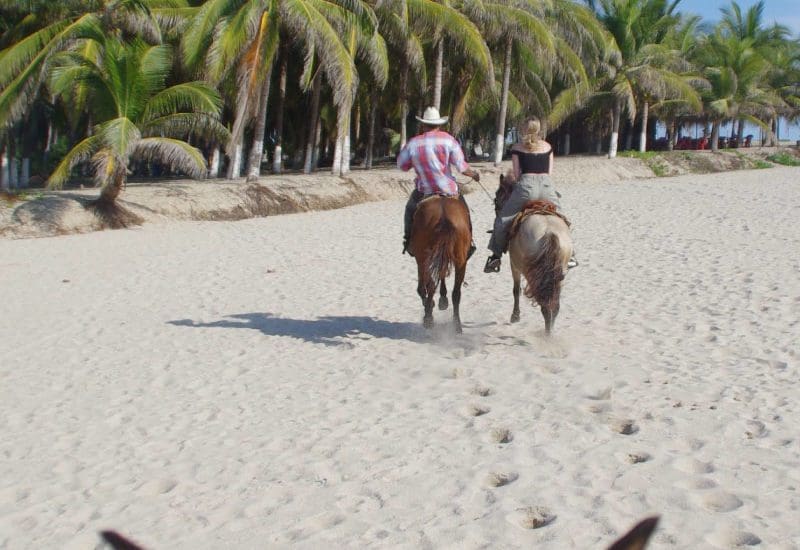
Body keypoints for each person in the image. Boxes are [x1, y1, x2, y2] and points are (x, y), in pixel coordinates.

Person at [484, 117, 578, 273]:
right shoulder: (548, 147)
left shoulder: (517, 147)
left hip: (526, 186)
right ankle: (570, 255)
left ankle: (495, 257)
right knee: (562, 218)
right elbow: (549, 172)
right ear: (538, 129)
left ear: (524, 129)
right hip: (547, 186)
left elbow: (517, 173)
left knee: (502, 220)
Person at [398, 106, 481, 257]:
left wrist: (415, 163)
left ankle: (408, 240)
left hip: (424, 191)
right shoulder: (449, 140)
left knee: (410, 209)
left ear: (423, 124)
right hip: (449, 190)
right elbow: (462, 167)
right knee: (465, 211)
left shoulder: (414, 143)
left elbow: (402, 165)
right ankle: (469, 242)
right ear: (439, 124)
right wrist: (474, 174)